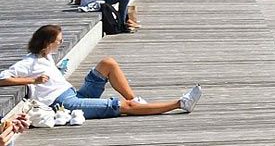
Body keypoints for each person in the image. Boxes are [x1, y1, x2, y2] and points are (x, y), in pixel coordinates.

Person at [1, 24, 201, 118]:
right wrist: (32, 81)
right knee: (122, 106)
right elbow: (2, 79)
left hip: (74, 93)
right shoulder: (28, 63)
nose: (61, 44)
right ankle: (180, 103)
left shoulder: (47, 56)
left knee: (108, 63)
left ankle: (137, 100)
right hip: (64, 104)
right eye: (59, 41)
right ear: (47, 43)